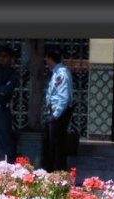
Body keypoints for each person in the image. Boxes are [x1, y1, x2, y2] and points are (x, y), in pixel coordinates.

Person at [42, 44, 74, 172]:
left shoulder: (61, 73)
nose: (45, 60)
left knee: (56, 147)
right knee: (50, 146)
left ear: (50, 58)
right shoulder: (57, 72)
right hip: (54, 113)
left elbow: (64, 97)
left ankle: (57, 173)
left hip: (58, 115)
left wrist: (56, 115)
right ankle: (51, 172)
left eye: (46, 57)